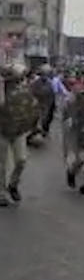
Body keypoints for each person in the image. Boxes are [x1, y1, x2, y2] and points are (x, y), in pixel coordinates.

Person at [0, 64, 41, 207]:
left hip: (18, 131)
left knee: (21, 160)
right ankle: (1, 194)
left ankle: (13, 184)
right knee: (2, 164)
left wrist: (35, 129)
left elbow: (33, 109)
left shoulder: (24, 91)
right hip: (2, 131)